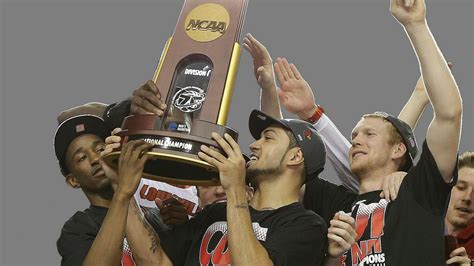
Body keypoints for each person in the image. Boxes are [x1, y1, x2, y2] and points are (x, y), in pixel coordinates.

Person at [264, 0, 462, 264]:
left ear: (399, 150)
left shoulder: (419, 192)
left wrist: (415, 24)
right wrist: (268, 87)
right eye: (355, 135)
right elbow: (275, 166)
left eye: (369, 134)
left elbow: (449, 114)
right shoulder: (333, 201)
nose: (356, 140)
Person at [54, 114, 164, 265]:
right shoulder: (78, 228)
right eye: (82, 158)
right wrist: (122, 191)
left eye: (100, 149)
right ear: (73, 180)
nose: (95, 159)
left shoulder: (154, 215)